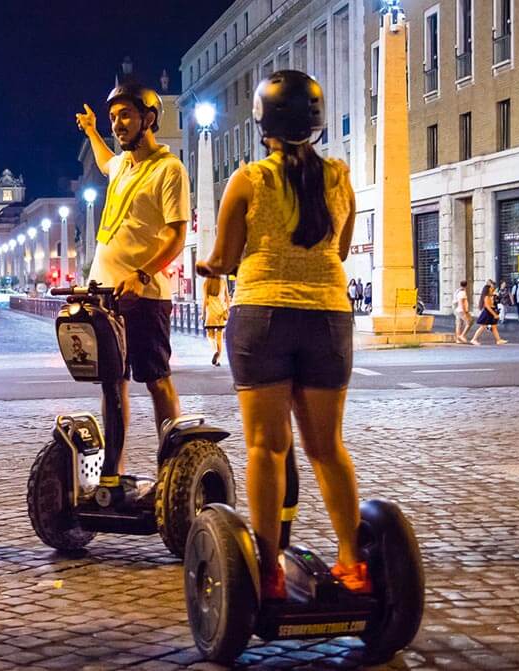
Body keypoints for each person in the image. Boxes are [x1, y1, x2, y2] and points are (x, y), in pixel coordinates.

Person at [196, 71, 369, 599]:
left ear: (262, 123)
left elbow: (225, 258)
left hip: (264, 316)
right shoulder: (340, 177)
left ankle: (267, 570)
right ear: (316, 125)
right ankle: (352, 562)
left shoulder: (249, 180)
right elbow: (337, 252)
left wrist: (207, 268)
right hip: (329, 318)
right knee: (328, 447)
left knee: (267, 449)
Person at [75, 81, 189, 485]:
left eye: (125, 115)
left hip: (145, 296)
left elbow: (177, 234)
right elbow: (106, 161)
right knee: (112, 383)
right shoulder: (122, 166)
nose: (117, 124)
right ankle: (114, 469)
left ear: (149, 118)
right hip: (104, 295)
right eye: (113, 118)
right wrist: (91, 130)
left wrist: (143, 275)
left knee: (156, 379)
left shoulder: (168, 169)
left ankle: (173, 466)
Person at [203, 276, 229, 366]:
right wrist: (228, 310)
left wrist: (203, 314)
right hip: (220, 312)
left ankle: (214, 351)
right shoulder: (223, 281)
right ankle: (217, 360)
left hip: (211, 312)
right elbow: (227, 298)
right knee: (219, 336)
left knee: (210, 334)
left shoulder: (207, 282)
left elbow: (205, 300)